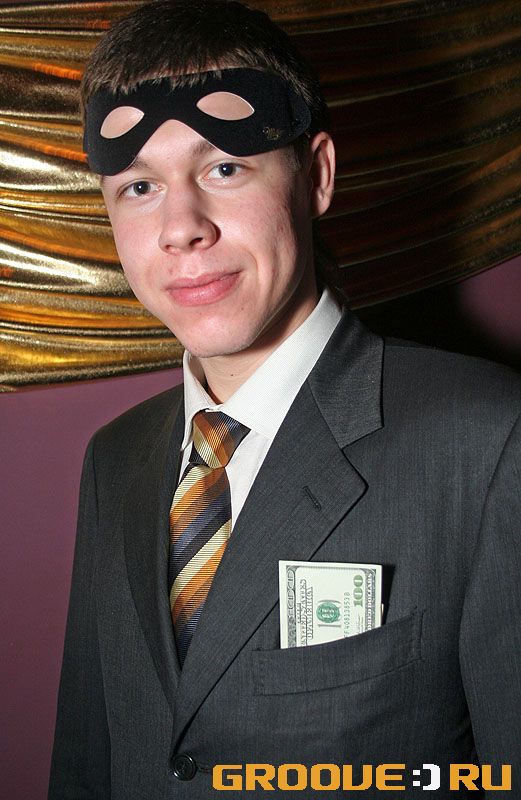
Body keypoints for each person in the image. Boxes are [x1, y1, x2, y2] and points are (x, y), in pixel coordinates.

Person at [49, 1, 521, 797]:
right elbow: (87, 763)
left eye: (224, 169)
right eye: (139, 186)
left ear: (316, 176)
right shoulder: (115, 459)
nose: (180, 227)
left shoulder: (486, 439)